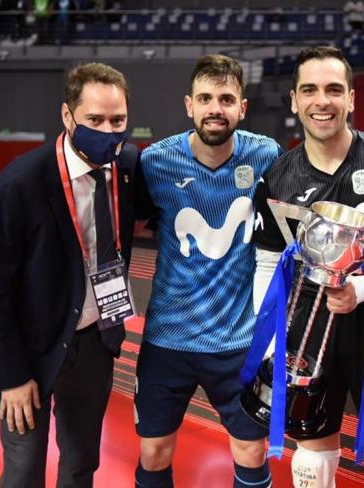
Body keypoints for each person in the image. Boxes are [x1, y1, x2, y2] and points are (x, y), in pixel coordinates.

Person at [252, 46, 364, 488]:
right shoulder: (277, 177)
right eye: (309, 90)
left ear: (351, 98)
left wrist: (362, 291)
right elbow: (267, 264)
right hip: (305, 330)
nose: (322, 101)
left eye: (334, 89)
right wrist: (272, 342)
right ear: (294, 100)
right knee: (311, 462)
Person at [0, 62, 146, 487]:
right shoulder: (19, 184)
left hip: (93, 341)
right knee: (23, 470)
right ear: (68, 116)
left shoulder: (126, 168)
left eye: (118, 120)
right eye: (95, 120)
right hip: (29, 348)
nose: (108, 131)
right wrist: (12, 375)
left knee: (80, 465)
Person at [134, 54, 282, 488]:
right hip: (168, 339)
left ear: (242, 107)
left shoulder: (266, 155)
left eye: (225, 98)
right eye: (205, 98)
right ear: (189, 105)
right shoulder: (155, 162)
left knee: (251, 451)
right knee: (154, 451)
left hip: (238, 340)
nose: (215, 107)